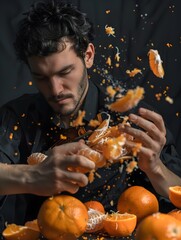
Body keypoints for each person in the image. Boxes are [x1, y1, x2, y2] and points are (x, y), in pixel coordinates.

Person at [0, 0, 181, 237]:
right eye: (41, 77)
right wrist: (31, 176)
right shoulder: (17, 117)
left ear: (88, 56)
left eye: (65, 72)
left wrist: (155, 167)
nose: (55, 89)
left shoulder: (129, 117)